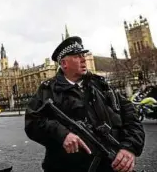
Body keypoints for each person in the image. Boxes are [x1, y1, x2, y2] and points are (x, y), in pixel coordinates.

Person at [25, 36, 145, 172]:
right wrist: (62, 134)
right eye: (77, 56)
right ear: (64, 64)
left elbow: (131, 116)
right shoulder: (47, 90)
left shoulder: (102, 85)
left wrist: (129, 147)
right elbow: (32, 122)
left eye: (83, 55)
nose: (83, 59)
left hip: (111, 164)